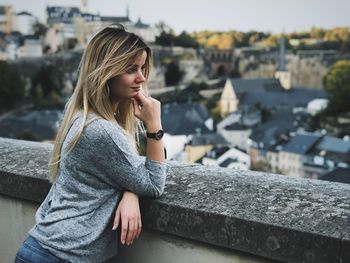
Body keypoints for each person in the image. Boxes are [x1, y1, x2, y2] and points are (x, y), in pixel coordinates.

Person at [14, 24, 167, 263]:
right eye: (131, 69)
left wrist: (130, 191)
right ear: (106, 72)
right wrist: (154, 126)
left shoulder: (81, 115)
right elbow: (154, 183)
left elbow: (122, 168)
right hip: (62, 256)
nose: (142, 78)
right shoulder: (102, 131)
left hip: (46, 250)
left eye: (141, 68)